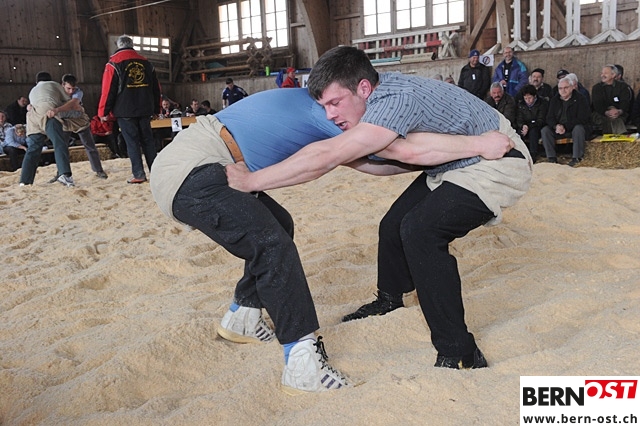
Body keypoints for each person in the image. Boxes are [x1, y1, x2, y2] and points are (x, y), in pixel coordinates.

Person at [150, 86, 514, 392]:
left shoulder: (323, 111)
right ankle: (302, 363)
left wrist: (435, 161)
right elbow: (398, 150)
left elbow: (367, 163)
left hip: (200, 160)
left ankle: (243, 315)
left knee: (278, 224)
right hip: (195, 167)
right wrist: (476, 146)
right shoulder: (324, 111)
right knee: (272, 243)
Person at [226, 46, 532, 371]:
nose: (329, 114)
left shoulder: (393, 101)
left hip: (499, 160)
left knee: (421, 231)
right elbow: (394, 160)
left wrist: (252, 180)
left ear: (363, 88)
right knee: (393, 225)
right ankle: (389, 299)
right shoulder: (375, 101)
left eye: (335, 103)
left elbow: (336, 156)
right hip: (457, 159)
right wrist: (349, 155)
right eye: (324, 106)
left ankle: (460, 352)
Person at [98, 34, 161, 184]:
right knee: (148, 141)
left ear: (119, 45)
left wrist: (103, 111)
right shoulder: (147, 63)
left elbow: (108, 90)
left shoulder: (113, 63)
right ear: (132, 45)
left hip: (125, 110)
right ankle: (156, 172)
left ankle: (139, 174)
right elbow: (156, 89)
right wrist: (157, 109)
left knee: (132, 142)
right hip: (145, 108)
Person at [19, 71, 82, 187]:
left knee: (33, 149)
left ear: (37, 82)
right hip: (48, 113)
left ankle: (25, 181)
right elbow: (69, 101)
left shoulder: (33, 90)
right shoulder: (54, 85)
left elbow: (31, 106)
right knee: (59, 143)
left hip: (32, 118)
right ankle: (65, 174)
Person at [60, 74, 108, 179]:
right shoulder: (57, 92)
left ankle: (98, 170)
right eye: (68, 88)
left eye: (73, 88)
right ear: (62, 85)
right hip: (65, 122)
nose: (71, 91)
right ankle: (62, 172)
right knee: (62, 148)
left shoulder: (78, 92)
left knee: (90, 145)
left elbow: (74, 104)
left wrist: (59, 110)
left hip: (80, 121)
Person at [541, 75, 591, 166]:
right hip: (558, 129)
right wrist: (556, 126)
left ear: (572, 87)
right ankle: (551, 158)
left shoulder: (580, 99)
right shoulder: (554, 100)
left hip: (572, 128)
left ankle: (577, 158)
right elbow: (549, 117)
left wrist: (565, 126)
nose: (563, 90)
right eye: (560, 88)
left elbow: (583, 118)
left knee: (579, 128)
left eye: (566, 88)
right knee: (545, 130)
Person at [591, 64, 632, 135]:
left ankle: (608, 139)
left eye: (605, 73)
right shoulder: (597, 88)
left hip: (619, 114)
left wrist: (619, 111)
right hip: (600, 114)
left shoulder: (623, 87)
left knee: (615, 119)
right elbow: (597, 104)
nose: (602, 75)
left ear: (613, 75)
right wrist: (607, 112)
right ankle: (620, 137)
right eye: (602, 73)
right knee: (612, 120)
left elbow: (625, 102)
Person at [515, 84, 548, 160]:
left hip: (537, 127)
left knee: (533, 132)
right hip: (525, 126)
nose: (528, 100)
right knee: (519, 132)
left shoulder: (542, 103)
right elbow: (519, 118)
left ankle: (533, 154)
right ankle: (521, 153)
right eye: (525, 98)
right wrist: (523, 125)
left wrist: (529, 126)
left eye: (530, 98)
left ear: (535, 96)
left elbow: (541, 120)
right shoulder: (521, 105)